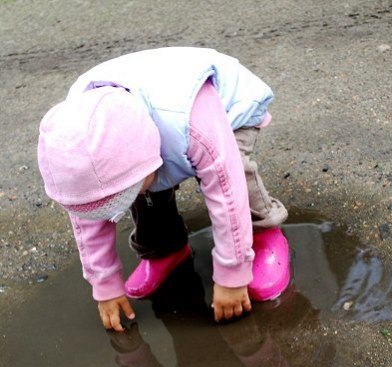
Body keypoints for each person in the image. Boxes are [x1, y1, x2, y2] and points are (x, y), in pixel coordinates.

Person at [37, 47, 290, 331]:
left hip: (226, 107)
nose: (119, 202)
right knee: (143, 193)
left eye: (124, 194)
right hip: (150, 118)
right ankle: (164, 247)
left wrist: (232, 274)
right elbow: (89, 212)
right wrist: (105, 284)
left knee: (236, 169)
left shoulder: (194, 122)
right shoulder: (78, 143)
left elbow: (225, 187)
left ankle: (264, 232)